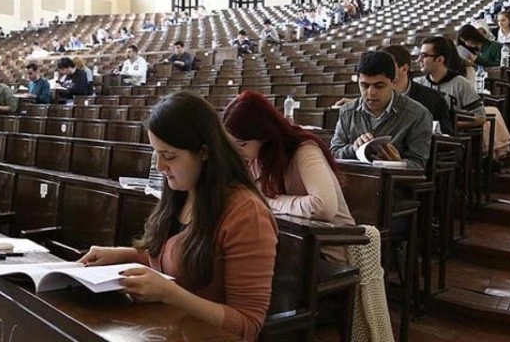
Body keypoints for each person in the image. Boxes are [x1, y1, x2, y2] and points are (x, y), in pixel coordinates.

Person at [78, 91, 277, 341]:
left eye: (169, 156)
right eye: (156, 154)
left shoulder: (247, 214)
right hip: (167, 328)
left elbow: (247, 325)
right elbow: (179, 261)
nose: (160, 167)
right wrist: (125, 254)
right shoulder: (182, 192)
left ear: (204, 152)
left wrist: (169, 293)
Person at [223, 91, 354, 261]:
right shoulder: (255, 157)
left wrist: (268, 202)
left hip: (327, 249)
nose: (237, 152)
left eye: (242, 144)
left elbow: (323, 207)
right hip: (289, 243)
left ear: (264, 135)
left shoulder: (304, 150)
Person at [330, 51, 432, 170]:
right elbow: (333, 153)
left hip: (393, 180)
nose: (371, 93)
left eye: (379, 86)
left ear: (393, 83)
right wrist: (353, 148)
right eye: (364, 85)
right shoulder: (347, 112)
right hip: (354, 178)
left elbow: (419, 165)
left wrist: (398, 163)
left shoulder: (417, 115)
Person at [414, 37, 486, 128]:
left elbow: (480, 117)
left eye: (424, 56)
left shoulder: (460, 83)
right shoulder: (417, 84)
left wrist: (448, 126)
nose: (419, 60)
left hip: (451, 135)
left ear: (440, 59)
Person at [382, 45, 454, 135]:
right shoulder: (374, 98)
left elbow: (446, 134)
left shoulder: (433, 99)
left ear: (404, 69)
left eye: (388, 68)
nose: (381, 72)